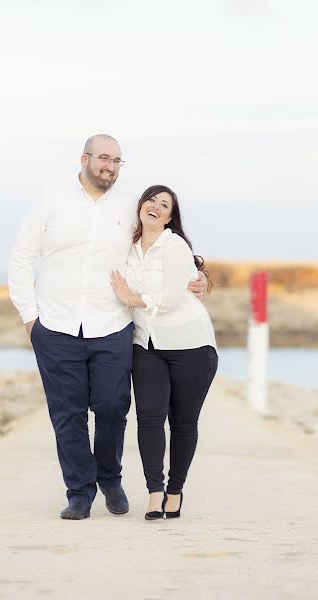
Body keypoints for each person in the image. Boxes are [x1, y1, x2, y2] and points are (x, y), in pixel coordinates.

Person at [8, 134, 208, 520]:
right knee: (67, 413)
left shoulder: (131, 203)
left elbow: (164, 242)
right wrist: (29, 317)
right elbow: (22, 257)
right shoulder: (51, 199)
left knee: (113, 406)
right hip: (55, 323)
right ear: (83, 159)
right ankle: (79, 492)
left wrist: (200, 277)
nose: (110, 166)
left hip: (113, 324)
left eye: (117, 161)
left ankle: (109, 476)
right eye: (103, 158)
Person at [110, 185, 218, 520]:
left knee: (183, 423)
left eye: (164, 204)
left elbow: (170, 299)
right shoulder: (124, 247)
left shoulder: (174, 246)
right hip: (147, 346)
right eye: (151, 200)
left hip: (192, 346)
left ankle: (175, 491)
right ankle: (155, 493)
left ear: (171, 217)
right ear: (140, 206)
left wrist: (130, 298)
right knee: (149, 420)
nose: (155, 206)